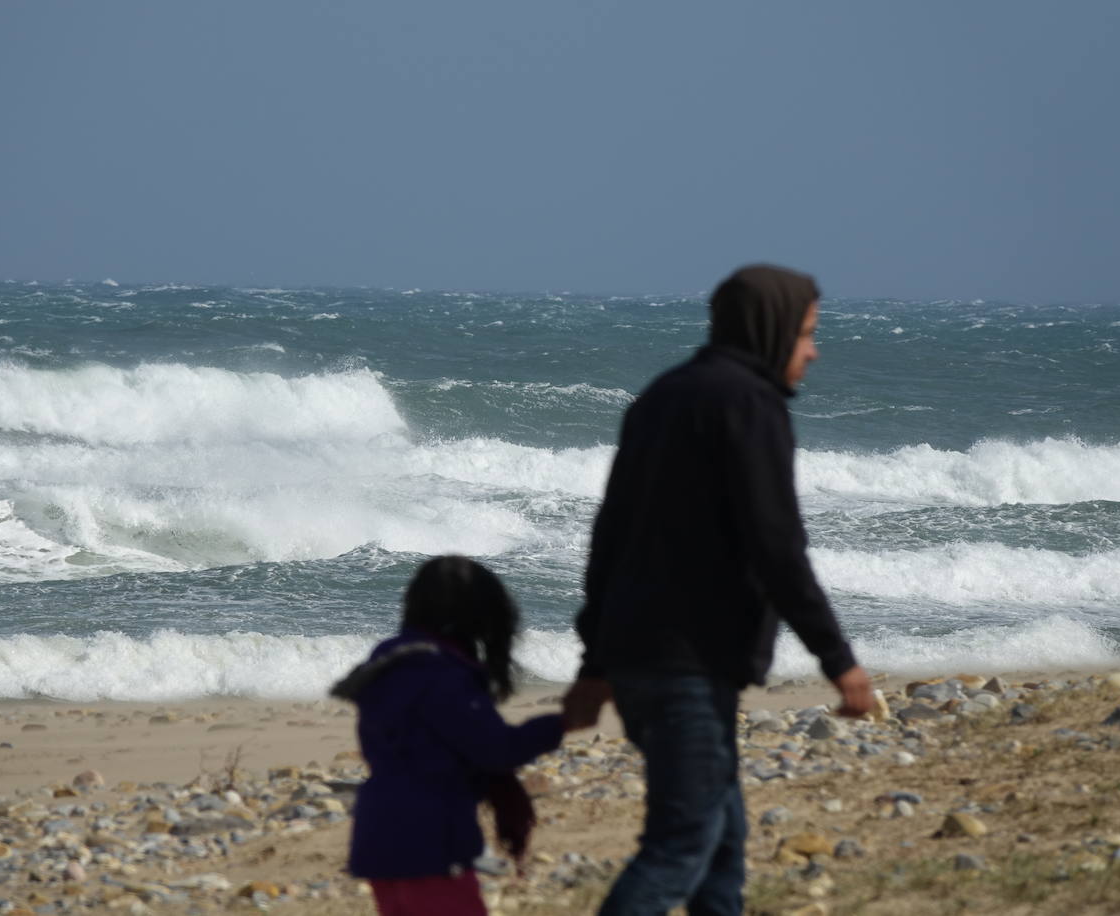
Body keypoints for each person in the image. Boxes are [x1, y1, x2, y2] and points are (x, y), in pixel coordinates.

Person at [563, 264, 875, 916]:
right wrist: (839, 661)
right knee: (681, 847)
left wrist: (597, 665)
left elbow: (610, 541)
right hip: (688, 668)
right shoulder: (748, 407)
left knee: (722, 849)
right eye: (807, 334)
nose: (814, 351)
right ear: (772, 330)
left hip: (643, 661)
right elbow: (777, 549)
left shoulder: (661, 397)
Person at [332, 555, 582, 916]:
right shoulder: (444, 674)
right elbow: (496, 750)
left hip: (377, 836)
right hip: (430, 841)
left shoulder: (388, 663)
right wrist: (560, 723)